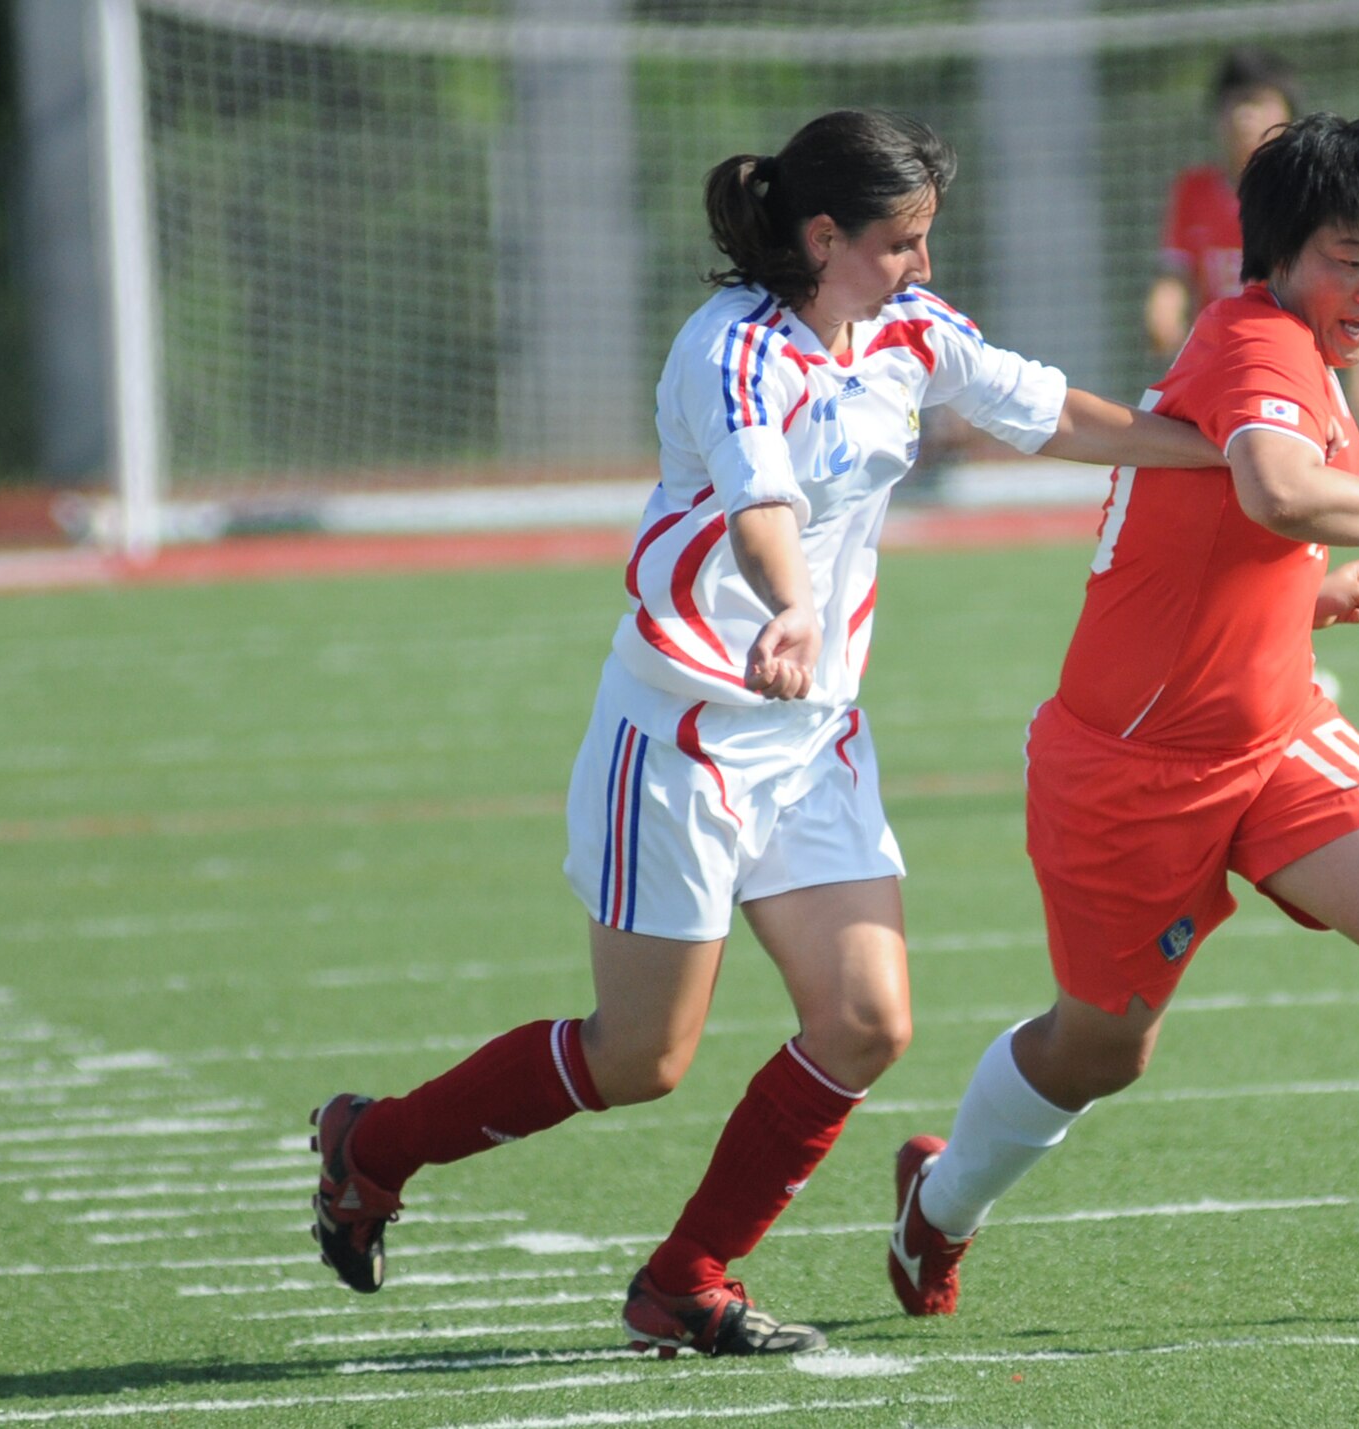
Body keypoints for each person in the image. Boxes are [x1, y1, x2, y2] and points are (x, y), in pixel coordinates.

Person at [308, 109, 1223, 1360]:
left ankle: (686, 1277)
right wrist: (792, 603)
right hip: (681, 732)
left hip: (814, 736)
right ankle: (373, 1146)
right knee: (641, 1057)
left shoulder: (906, 329)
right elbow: (761, 506)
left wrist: (1223, 465)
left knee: (864, 1020)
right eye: (903, 242)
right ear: (822, 235)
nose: (923, 266)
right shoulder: (728, 351)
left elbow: (1052, 414)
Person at [886, 113, 1359, 1325]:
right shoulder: (1256, 343)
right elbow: (1278, 487)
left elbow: (1232, 527)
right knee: (1099, 1050)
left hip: (1272, 728)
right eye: (1347, 258)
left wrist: (1305, 591)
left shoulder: (1299, 347)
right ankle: (940, 1200)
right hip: (1130, 768)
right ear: (1283, 252)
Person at [1147, 48, 1359, 437]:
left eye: (1257, 103)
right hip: (1222, 367)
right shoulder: (1193, 191)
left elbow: (1349, 292)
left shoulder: (1310, 196)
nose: (1243, 116)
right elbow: (1174, 277)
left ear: (1287, 117)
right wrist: (1164, 309)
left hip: (1292, 365)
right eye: (1233, 104)